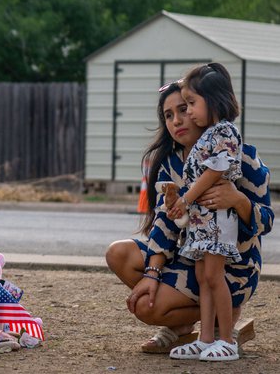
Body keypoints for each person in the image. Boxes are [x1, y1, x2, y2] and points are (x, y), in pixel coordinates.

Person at [105, 73, 273, 356]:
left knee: (151, 309)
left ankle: (225, 320)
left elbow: (266, 221)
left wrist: (239, 200)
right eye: (168, 115)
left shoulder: (242, 156)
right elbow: (165, 222)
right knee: (117, 254)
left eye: (185, 108)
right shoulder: (171, 164)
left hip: (233, 264)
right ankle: (185, 327)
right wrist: (152, 273)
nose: (177, 120)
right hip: (192, 253)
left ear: (205, 107)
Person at [165, 63, 242, 361]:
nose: (189, 113)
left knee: (214, 275)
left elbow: (215, 171)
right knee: (202, 276)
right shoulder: (208, 134)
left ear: (215, 100)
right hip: (201, 223)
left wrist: (186, 199)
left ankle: (226, 340)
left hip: (217, 221)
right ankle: (205, 337)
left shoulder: (225, 132)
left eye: (193, 104)